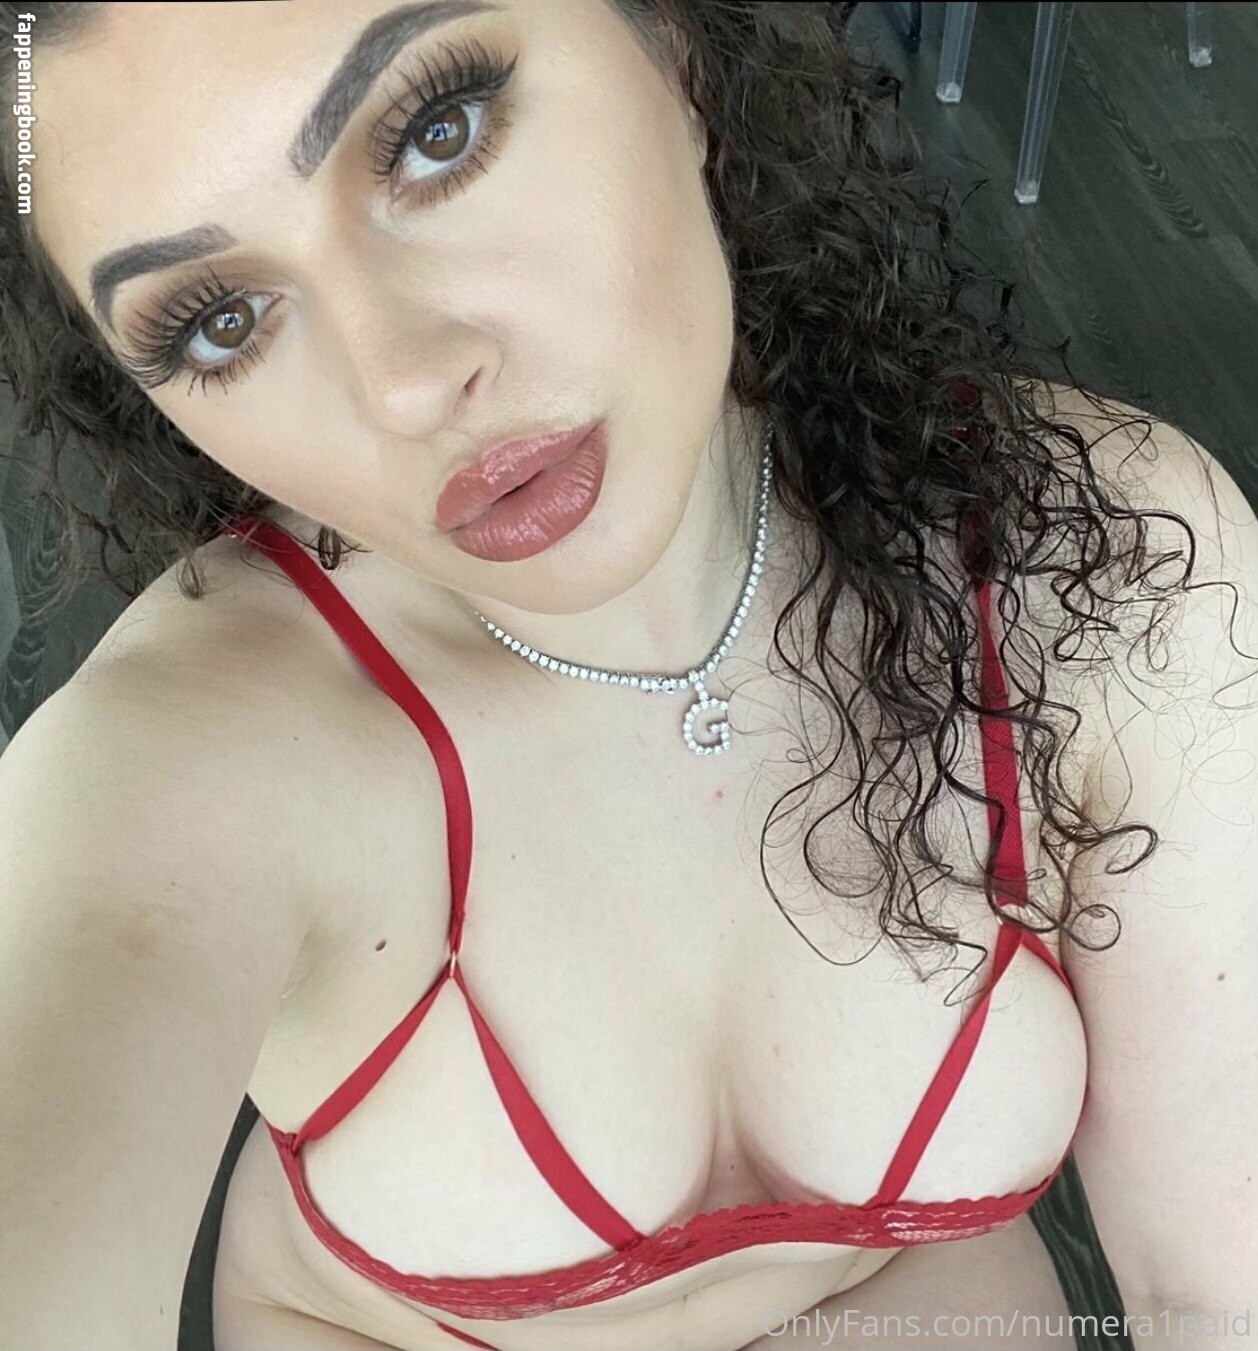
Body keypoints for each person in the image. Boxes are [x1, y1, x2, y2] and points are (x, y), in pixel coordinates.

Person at [1, 3, 1255, 1351]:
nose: (405, 385)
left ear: (672, 47)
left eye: (436, 131)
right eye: (218, 322)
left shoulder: (1099, 559)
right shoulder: (189, 761)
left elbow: (1219, 1285)